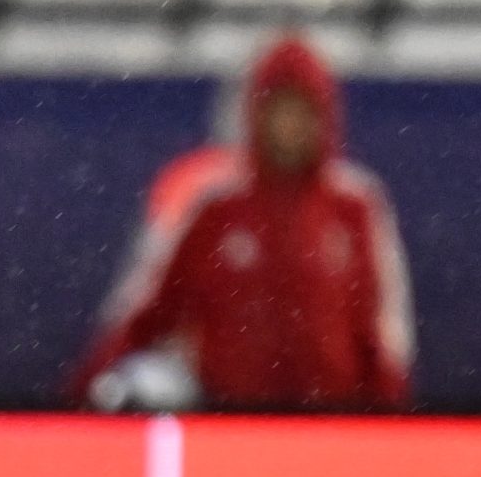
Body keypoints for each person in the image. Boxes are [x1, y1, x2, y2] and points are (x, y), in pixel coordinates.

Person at [74, 34, 413, 413]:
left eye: (302, 112)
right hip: (231, 420)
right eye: (279, 111)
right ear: (256, 114)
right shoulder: (216, 208)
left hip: (331, 420)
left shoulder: (356, 208)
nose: (289, 126)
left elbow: (381, 332)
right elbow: (149, 311)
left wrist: (389, 412)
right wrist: (87, 392)